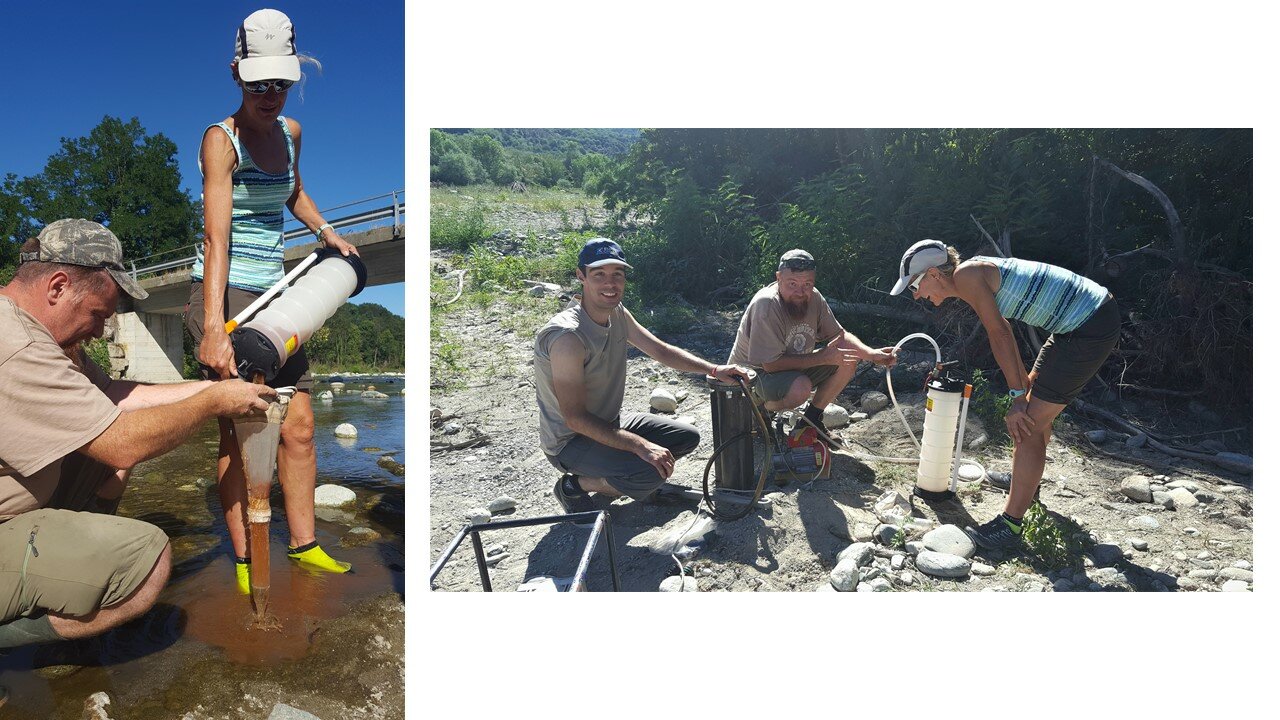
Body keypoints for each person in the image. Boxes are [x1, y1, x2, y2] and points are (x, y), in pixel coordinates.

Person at [0, 219, 275, 650]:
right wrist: (212, 404)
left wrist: (212, 387)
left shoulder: (45, 337)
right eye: (98, 315)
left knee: (108, 457)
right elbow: (121, 443)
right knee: (145, 564)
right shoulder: (14, 344)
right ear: (57, 286)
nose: (98, 331)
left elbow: (113, 394)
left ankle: (68, 574)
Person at [185, 8, 356, 592]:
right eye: (258, 82)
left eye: (279, 83)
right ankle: (241, 556)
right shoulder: (220, 140)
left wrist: (324, 231)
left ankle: (304, 544)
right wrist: (213, 325)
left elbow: (296, 192)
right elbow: (217, 236)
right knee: (241, 429)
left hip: (280, 293)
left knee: (300, 426)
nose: (269, 94)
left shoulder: (291, 134)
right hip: (228, 292)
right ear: (237, 73)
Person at [890, 239, 1121, 550]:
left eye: (915, 285)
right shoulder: (970, 275)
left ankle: (1011, 526)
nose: (917, 294)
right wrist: (1021, 390)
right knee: (1031, 410)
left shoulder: (967, 276)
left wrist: (1017, 399)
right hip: (1074, 326)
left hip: (1089, 325)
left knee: (1027, 424)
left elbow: (999, 333)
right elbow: (1006, 333)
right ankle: (1026, 488)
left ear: (933, 274)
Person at [534, 238, 752, 522]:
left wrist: (713, 369)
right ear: (581, 276)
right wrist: (640, 446)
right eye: (599, 275)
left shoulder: (617, 313)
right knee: (649, 472)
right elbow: (575, 419)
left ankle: (617, 474)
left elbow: (659, 350)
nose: (610, 284)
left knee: (685, 438)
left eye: (617, 275)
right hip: (570, 441)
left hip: (608, 424)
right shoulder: (567, 337)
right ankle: (574, 485)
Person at [727, 249, 898, 448]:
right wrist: (823, 358)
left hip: (789, 368)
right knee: (800, 387)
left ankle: (810, 422)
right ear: (778, 278)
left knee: (849, 358)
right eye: (793, 284)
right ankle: (761, 410)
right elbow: (771, 365)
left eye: (807, 284)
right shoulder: (766, 304)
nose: (800, 292)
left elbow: (840, 337)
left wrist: (871, 354)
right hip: (751, 377)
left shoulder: (813, 297)